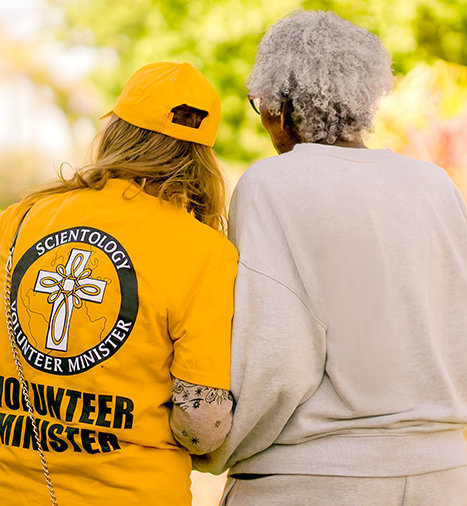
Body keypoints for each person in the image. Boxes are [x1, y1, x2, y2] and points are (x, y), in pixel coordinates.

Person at [194, 10, 467, 506]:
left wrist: (207, 446)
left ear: (280, 106)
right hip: (444, 475)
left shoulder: (271, 184)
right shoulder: (435, 186)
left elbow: (273, 358)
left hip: (314, 479)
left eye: (260, 105)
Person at [0, 62, 238, 505]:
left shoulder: (19, 219)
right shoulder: (205, 252)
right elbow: (201, 425)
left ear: (116, 131)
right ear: (200, 156)